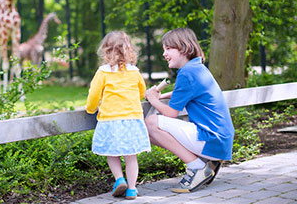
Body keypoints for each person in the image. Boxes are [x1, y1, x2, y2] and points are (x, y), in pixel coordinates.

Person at [144, 27, 234, 193]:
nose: (164, 53)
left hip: (211, 139)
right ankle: (207, 162)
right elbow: (184, 91)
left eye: (168, 49)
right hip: (220, 141)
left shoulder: (187, 73)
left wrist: (154, 99)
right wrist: (161, 96)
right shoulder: (196, 68)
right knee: (148, 133)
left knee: (150, 123)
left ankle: (197, 167)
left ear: (184, 48)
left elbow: (171, 114)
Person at [86, 31, 151, 200]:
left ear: (106, 51)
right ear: (129, 50)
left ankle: (119, 179)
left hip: (110, 120)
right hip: (132, 119)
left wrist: (91, 109)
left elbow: (93, 95)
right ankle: (131, 189)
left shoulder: (103, 72)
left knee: (111, 153)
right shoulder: (134, 72)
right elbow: (142, 91)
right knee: (131, 157)